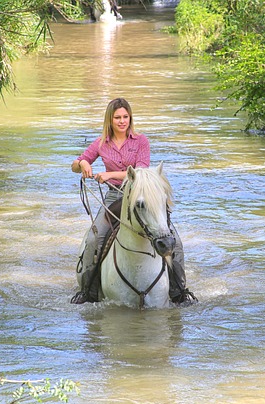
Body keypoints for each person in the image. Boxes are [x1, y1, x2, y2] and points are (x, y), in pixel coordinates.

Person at [70, 97, 196, 305]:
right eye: (117, 117)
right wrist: (83, 163)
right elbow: (75, 165)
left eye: (125, 117)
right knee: (94, 239)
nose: (122, 121)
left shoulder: (141, 141)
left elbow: (141, 172)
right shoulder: (101, 143)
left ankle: (178, 291)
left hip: (141, 195)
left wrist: (110, 175)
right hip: (114, 197)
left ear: (130, 118)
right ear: (109, 120)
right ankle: (88, 292)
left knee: (175, 241)